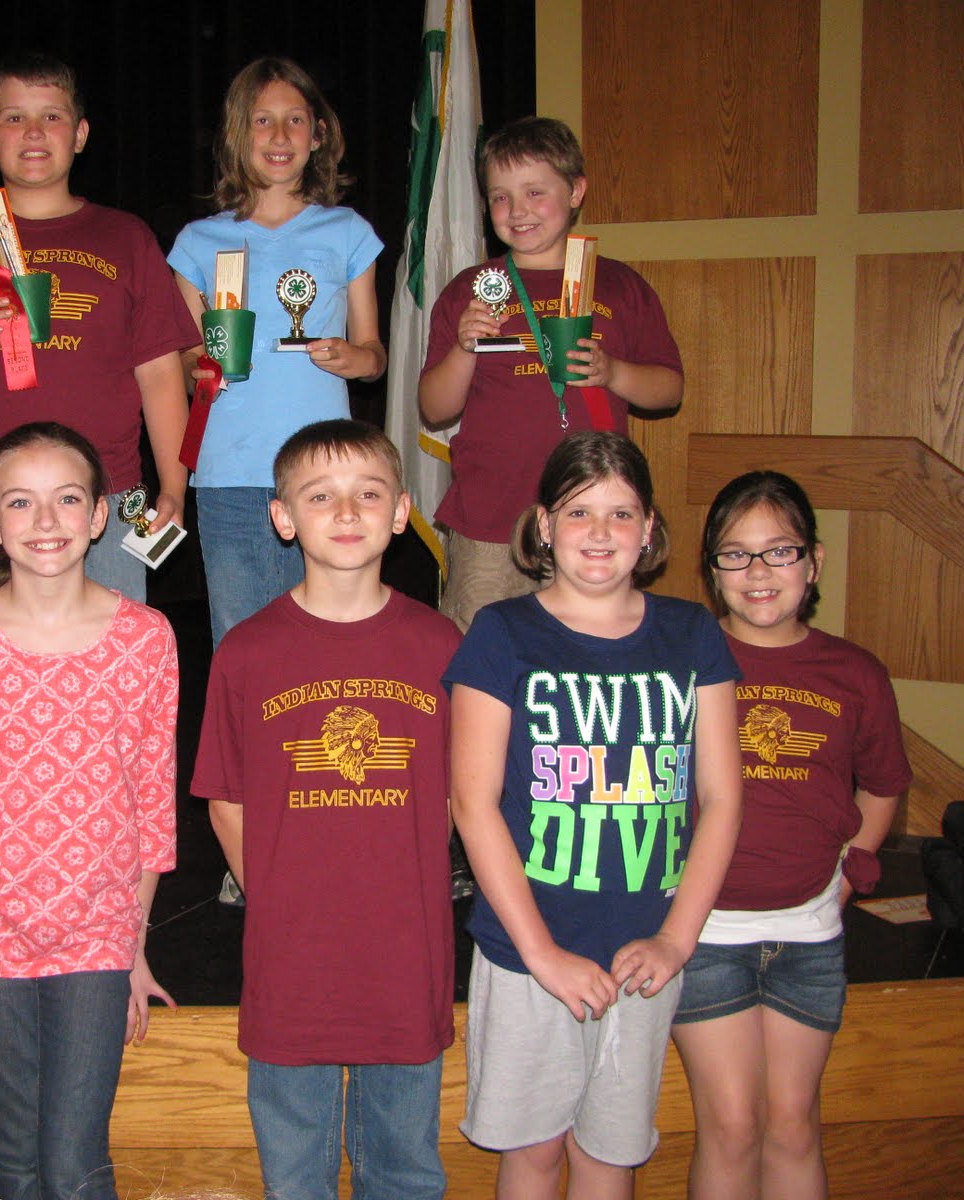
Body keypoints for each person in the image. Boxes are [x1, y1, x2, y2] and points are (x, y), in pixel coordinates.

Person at [443, 431, 742, 1200]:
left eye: (621, 513)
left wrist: (677, 938)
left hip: (644, 956)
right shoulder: (501, 634)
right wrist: (540, 952)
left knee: (613, 1156)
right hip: (527, 954)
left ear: (649, 529)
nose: (601, 533)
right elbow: (471, 804)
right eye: (579, 513)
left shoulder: (693, 635)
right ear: (543, 526)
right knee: (535, 1155)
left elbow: (723, 798)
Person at [193, 419, 460, 1200]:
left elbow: (451, 796)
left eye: (368, 494)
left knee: (405, 1168)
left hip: (406, 956)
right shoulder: (246, 652)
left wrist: (405, 885)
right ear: (283, 517)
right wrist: (278, 905)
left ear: (402, 510)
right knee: (296, 1171)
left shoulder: (440, 645)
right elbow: (227, 802)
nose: (347, 512)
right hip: (292, 961)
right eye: (321, 496)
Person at [0, 421, 178, 1200]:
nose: (46, 522)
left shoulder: (147, 638)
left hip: (97, 931)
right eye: (22, 503)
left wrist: (132, 944)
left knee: (72, 1168)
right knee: (13, 1165)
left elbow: (153, 804)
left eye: (67, 499)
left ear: (100, 514)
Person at [671, 471, 910, 1200]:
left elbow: (884, 784)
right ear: (712, 570)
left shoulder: (854, 673)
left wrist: (856, 864)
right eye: (736, 556)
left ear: (815, 562)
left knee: (795, 1123)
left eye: (779, 552)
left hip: (809, 934)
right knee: (734, 1124)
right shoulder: (680, 659)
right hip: (705, 932)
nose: (759, 574)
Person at [0, 52, 199, 605]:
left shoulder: (126, 237)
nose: (34, 132)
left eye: (52, 117)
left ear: (81, 134)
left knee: (111, 670)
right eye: (14, 118)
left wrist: (174, 485)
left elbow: (159, 374)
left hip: (108, 498)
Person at [418, 117, 683, 632]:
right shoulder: (471, 289)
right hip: (490, 521)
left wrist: (613, 371)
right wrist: (465, 347)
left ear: (576, 190)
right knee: (481, 662)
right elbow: (434, 407)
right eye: (500, 197)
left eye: (535, 192)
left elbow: (669, 389)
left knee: (589, 660)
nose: (517, 211)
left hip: (596, 520)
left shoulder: (619, 285)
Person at [168, 55, 385, 649]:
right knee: (242, 643)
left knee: (329, 639)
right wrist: (204, 364)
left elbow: (375, 357)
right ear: (238, 135)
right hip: (229, 471)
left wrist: (352, 357)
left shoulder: (346, 232)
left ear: (318, 136)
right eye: (263, 121)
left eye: (295, 120)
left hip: (326, 471)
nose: (280, 136)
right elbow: (182, 365)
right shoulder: (196, 242)